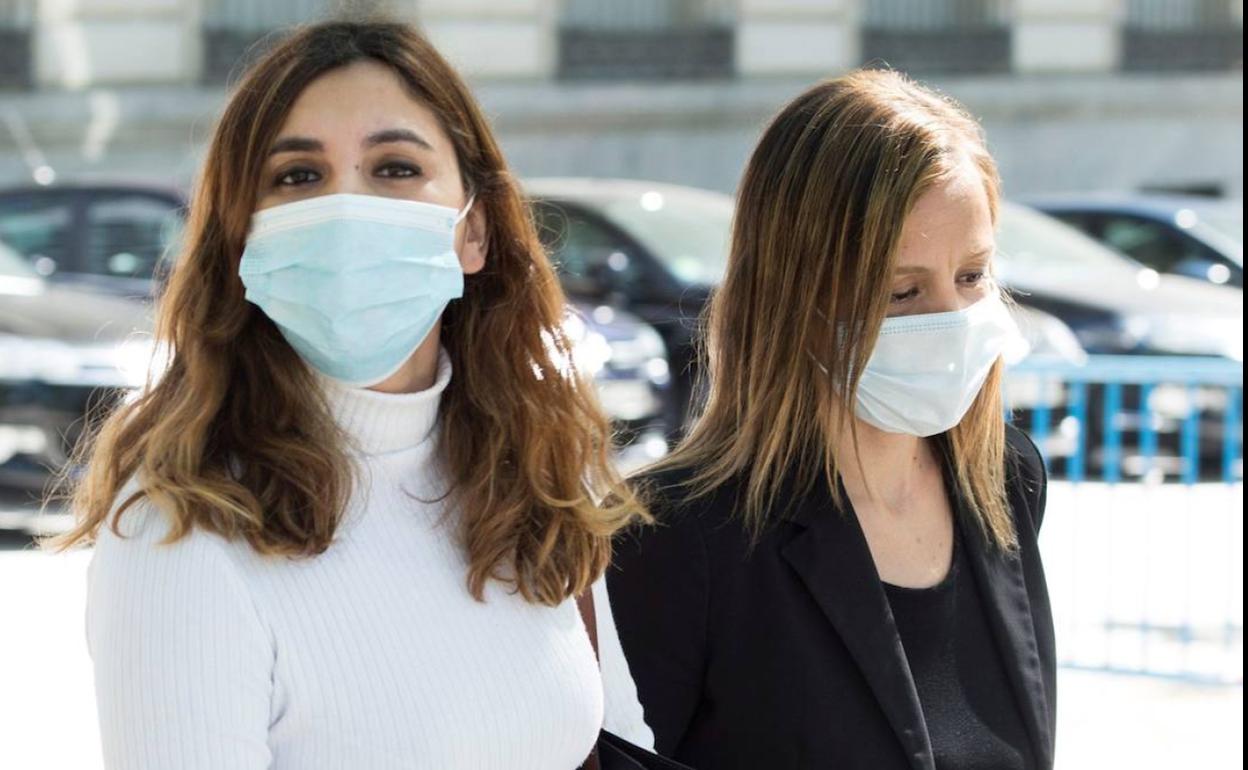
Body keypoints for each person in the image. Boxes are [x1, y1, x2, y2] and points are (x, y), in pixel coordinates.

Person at [47, 19, 652, 769]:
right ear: (245, 241)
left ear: (475, 233)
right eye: (297, 176)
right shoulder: (182, 534)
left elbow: (622, 739)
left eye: (395, 167)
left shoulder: (540, 479)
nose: (344, 206)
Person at [608, 70, 1056, 770]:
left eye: (972, 276)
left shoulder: (1006, 480)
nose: (951, 320)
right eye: (901, 291)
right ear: (793, 296)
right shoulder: (673, 534)